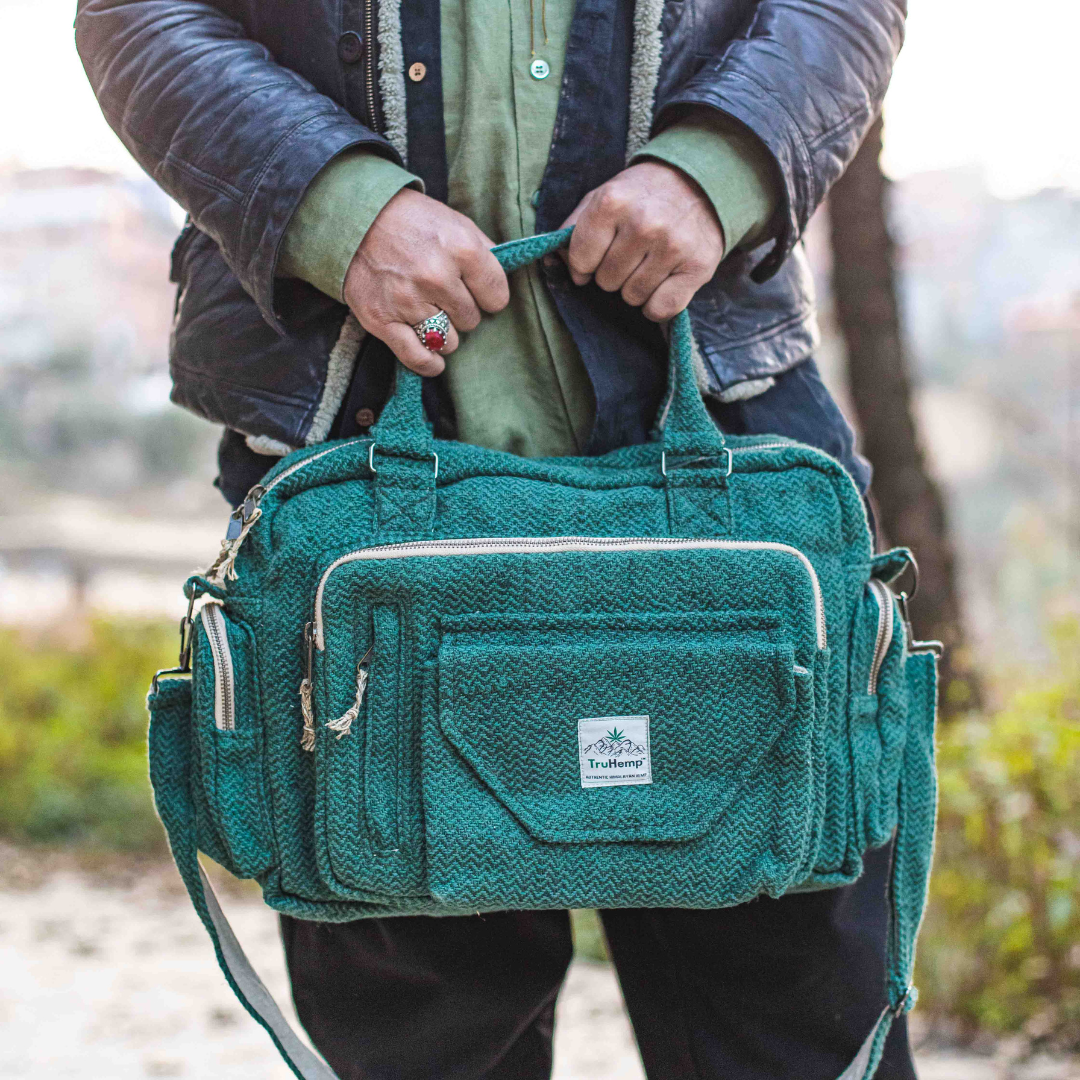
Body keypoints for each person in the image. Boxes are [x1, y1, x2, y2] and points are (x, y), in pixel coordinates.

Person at [77, 0, 912, 1076]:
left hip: (724, 429)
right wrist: (339, 210)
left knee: (800, 1013)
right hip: (359, 459)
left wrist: (721, 165)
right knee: (427, 1040)